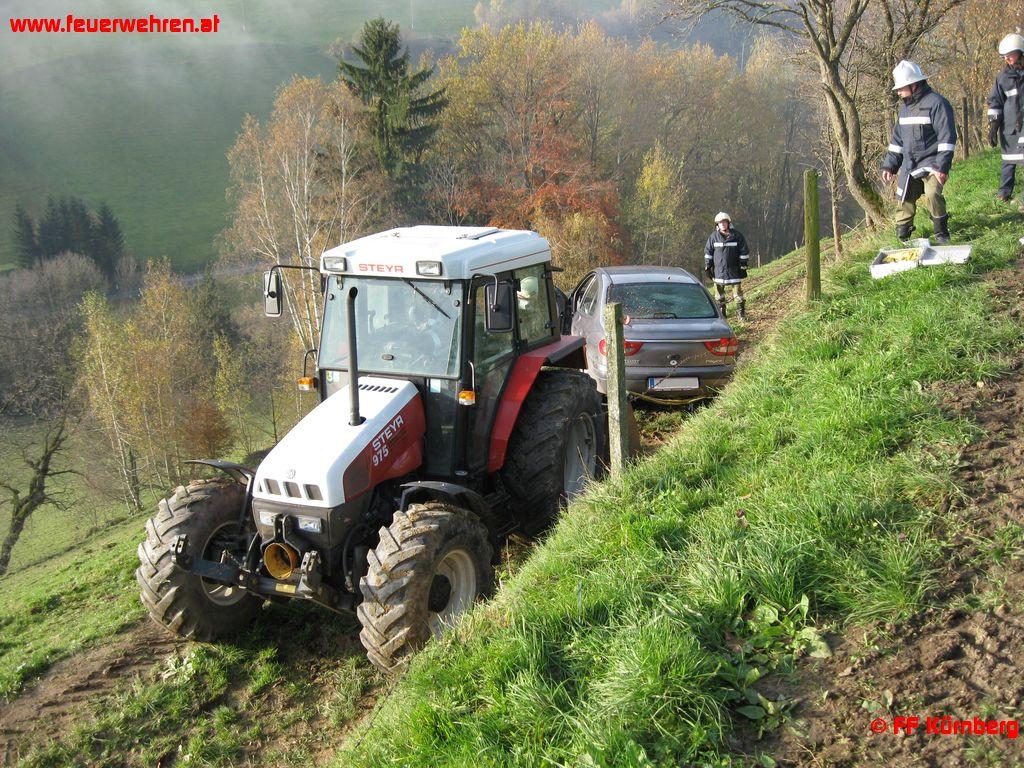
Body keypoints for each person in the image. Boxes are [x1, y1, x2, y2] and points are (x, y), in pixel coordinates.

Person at [881, 60, 957, 244]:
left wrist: (942, 167)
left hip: (933, 163)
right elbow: (897, 142)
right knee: (904, 197)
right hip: (909, 164)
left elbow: (947, 139)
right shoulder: (905, 110)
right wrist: (890, 166)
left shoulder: (938, 104)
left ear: (913, 84)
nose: (898, 92)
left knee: (933, 194)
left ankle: (941, 233)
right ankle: (902, 238)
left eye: (901, 88)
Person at [987, 33, 1024, 210]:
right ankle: (1003, 194)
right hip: (1010, 128)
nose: (1007, 59)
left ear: (1020, 52)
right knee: (1008, 161)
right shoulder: (1002, 77)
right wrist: (993, 127)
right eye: (1004, 56)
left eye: (1010, 54)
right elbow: (995, 102)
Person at [703, 212, 750, 320]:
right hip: (719, 271)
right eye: (720, 223)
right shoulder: (713, 237)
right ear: (717, 225)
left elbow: (744, 251)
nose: (723, 224)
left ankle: (741, 315)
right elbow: (708, 253)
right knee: (719, 296)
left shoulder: (737, 236)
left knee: (738, 294)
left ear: (728, 223)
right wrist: (708, 267)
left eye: (724, 222)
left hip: (734, 270)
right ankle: (722, 316)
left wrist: (743, 265)